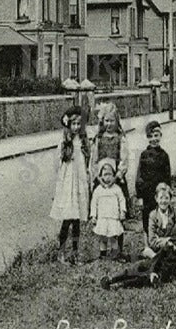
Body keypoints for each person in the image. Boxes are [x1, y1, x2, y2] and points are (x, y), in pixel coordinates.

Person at [101, 183, 176, 288]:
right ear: (156, 199)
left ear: (171, 199)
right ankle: (112, 279)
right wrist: (153, 271)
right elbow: (155, 253)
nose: (164, 201)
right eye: (161, 198)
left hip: (162, 272)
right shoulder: (154, 217)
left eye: (167, 198)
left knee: (141, 279)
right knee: (137, 267)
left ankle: (118, 285)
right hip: (154, 259)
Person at [49, 106, 90, 264]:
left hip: (79, 183)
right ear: (68, 125)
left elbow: (86, 162)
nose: (76, 127)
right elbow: (58, 164)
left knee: (77, 219)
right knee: (67, 218)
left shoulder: (83, 141)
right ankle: (61, 252)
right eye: (73, 124)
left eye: (79, 124)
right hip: (68, 184)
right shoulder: (65, 142)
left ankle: (75, 252)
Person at [134, 120, 171, 239]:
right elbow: (139, 174)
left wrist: (167, 192)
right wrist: (139, 193)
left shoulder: (164, 155)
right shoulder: (144, 155)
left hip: (159, 193)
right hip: (147, 192)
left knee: (160, 217)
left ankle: (159, 243)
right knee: (147, 217)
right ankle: (147, 244)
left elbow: (167, 175)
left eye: (156, 135)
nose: (153, 139)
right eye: (150, 136)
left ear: (161, 136)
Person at [90, 158, 126, 260]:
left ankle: (114, 253)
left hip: (113, 217)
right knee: (103, 237)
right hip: (102, 217)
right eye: (105, 174)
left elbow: (122, 200)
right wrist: (93, 215)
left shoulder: (117, 189)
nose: (108, 177)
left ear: (114, 175)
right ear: (101, 176)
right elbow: (94, 203)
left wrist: (122, 212)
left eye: (110, 174)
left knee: (114, 235)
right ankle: (103, 254)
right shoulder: (98, 190)